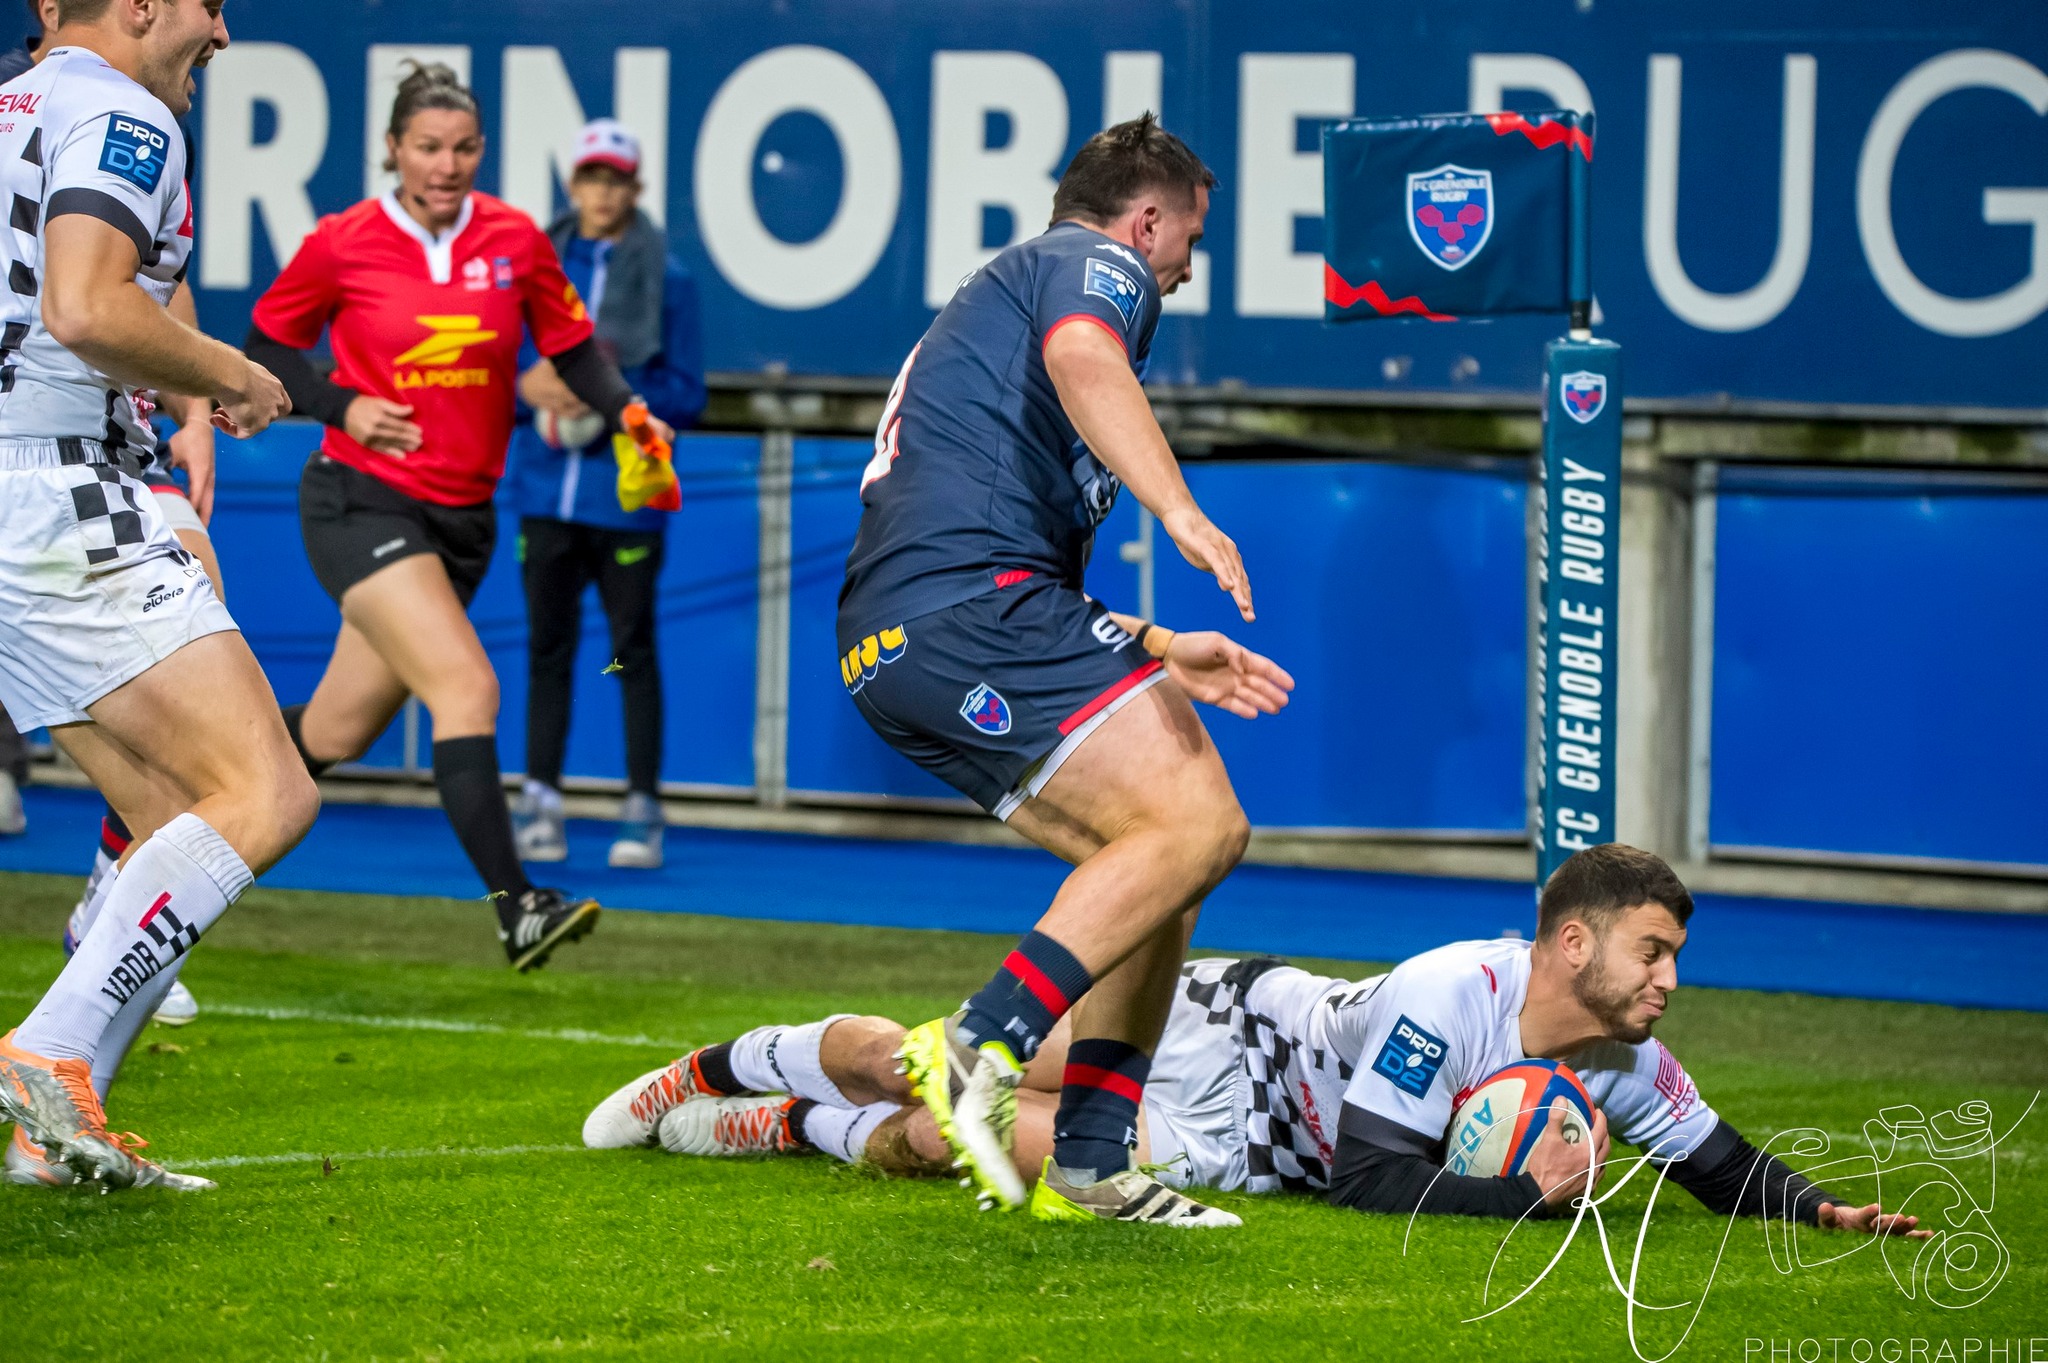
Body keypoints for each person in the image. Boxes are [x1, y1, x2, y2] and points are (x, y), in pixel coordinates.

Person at [584, 844, 1929, 1240]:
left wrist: (1823, 1210)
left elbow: (1711, 1157)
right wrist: (1526, 1194)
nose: (1670, 980)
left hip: (1234, 1147)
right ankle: (725, 1062)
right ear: (1572, 943)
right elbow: (1372, 1173)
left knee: (950, 1143)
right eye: (1654, 950)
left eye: (1675, 955)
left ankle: (774, 1124)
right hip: (1210, 1026)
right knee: (923, 1060)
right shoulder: (1450, 989)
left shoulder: (1626, 1061)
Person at [836, 113, 1292, 1226]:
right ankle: (979, 1045)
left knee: (1163, 859)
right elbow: (1083, 355)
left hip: (918, 630)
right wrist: (1178, 509)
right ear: (1145, 218)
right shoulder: (1089, 264)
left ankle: (1090, 1162)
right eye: (1187, 233)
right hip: (963, 611)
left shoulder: (1008, 295)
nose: (1187, 261)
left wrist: (1152, 644)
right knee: (1202, 826)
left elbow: (1014, 548)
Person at [243, 65, 671, 971]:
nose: (446, 165)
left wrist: (630, 411)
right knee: (467, 689)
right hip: (360, 498)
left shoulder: (515, 238)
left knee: (333, 733)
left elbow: (572, 348)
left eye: (464, 148)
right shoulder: (343, 241)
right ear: (393, 149)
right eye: (428, 147)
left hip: (465, 520)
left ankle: (169, 806)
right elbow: (267, 346)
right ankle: (518, 907)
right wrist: (341, 405)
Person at [0, 0, 311, 1193]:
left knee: (169, 808)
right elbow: (88, 305)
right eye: (207, 4)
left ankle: (51, 1134)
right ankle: (53, 1054)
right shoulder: (123, 112)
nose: (223, 32)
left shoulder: (16, 107)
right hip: (58, 493)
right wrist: (232, 375)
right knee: (266, 790)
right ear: (137, 7)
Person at [505, 118, 705, 871]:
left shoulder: (669, 277)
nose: (602, 192)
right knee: (547, 649)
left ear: (635, 188)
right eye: (591, 177)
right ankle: (542, 801)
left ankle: (642, 806)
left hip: (625, 494)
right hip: (541, 494)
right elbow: (509, 369)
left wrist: (612, 398)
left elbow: (687, 391)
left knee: (629, 649)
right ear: (573, 185)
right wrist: (529, 389)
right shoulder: (535, 269)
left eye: (615, 179)